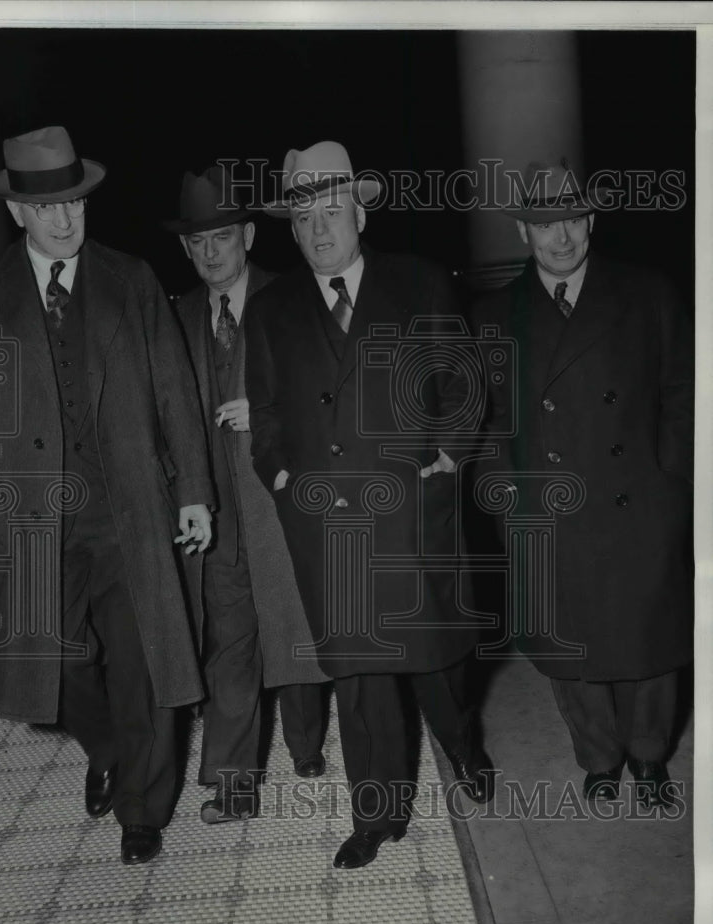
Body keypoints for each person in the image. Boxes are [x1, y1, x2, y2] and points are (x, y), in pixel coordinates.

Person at [0, 126, 214, 865]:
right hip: (36, 520)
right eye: (47, 209)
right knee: (57, 666)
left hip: (130, 510)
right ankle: (104, 748)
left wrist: (193, 488)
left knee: (141, 663)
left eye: (74, 202)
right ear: (18, 215)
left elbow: (175, 394)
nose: (65, 220)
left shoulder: (131, 280)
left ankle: (142, 808)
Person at [245, 141, 495, 870]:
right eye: (304, 217)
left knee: (438, 665)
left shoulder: (418, 283)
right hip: (328, 527)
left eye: (332, 211)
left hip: (412, 515)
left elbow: (463, 387)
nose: (320, 229)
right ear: (291, 229)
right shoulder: (271, 310)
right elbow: (264, 416)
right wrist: (282, 480)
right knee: (359, 680)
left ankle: (465, 747)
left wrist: (447, 458)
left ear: (359, 210)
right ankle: (375, 816)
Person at [471, 156, 693, 808]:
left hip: (639, 500)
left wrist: (672, 477)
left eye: (571, 219)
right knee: (570, 649)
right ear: (522, 233)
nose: (560, 236)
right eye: (544, 224)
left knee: (649, 644)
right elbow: (482, 423)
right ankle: (598, 759)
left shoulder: (648, 293)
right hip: (549, 511)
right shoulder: (493, 314)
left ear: (592, 220)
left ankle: (650, 759)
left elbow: (686, 388)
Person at [165, 165, 329, 823]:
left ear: (249, 236)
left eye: (224, 238)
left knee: (296, 628)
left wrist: (269, 412)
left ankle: (308, 742)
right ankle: (235, 781)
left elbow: (324, 398)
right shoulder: (170, 318)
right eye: (198, 242)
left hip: (278, 501)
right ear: (184, 248)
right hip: (210, 513)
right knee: (229, 644)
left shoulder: (292, 300)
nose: (211, 253)